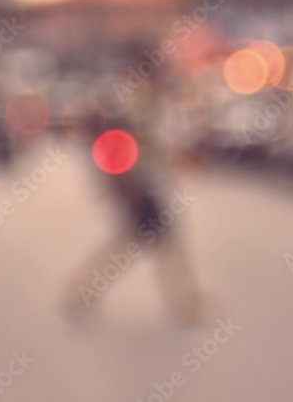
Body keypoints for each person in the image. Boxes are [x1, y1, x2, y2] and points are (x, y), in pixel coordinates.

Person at [61, 47, 202, 325]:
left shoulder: (144, 98)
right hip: (142, 187)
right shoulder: (136, 101)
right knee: (158, 245)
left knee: (132, 244)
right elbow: (129, 145)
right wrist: (125, 185)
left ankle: (81, 290)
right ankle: (186, 305)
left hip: (146, 186)